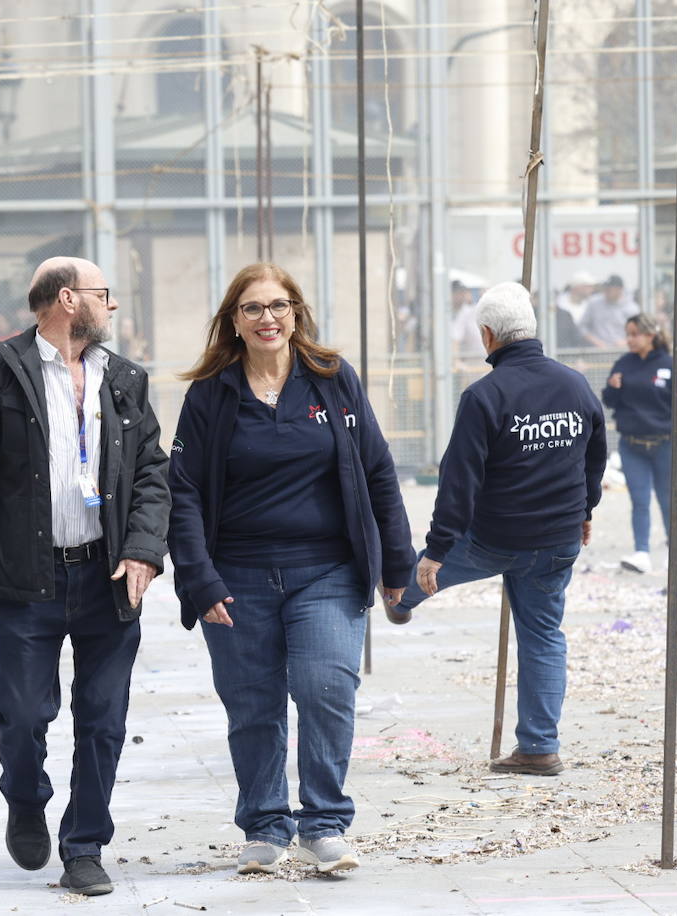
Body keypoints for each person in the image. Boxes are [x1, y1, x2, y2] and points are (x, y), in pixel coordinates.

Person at [0, 257, 170, 898]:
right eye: (102, 294)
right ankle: (26, 798)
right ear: (68, 299)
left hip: (110, 576)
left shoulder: (125, 379)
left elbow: (152, 474)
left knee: (104, 718)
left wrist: (144, 550)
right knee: (23, 714)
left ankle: (85, 845)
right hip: (28, 580)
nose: (111, 306)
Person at [167, 262, 413, 876]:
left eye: (278, 306)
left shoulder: (332, 380)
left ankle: (325, 822)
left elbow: (378, 471)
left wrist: (398, 562)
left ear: (296, 313)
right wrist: (198, 578)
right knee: (252, 704)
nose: (267, 318)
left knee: (325, 688)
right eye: (252, 308)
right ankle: (265, 824)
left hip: (326, 570)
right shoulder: (212, 394)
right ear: (234, 321)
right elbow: (185, 492)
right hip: (237, 576)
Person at [386, 282, 606, 778]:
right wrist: (586, 509)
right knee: (544, 636)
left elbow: (459, 480)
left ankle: (400, 599)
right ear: (530, 327)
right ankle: (539, 746)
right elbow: (595, 453)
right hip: (556, 542)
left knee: (422, 570)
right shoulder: (574, 385)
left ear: (487, 335)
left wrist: (438, 549)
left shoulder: (485, 395)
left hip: (494, 539)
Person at [601, 314, 677, 574]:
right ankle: (641, 552)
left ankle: (674, 550)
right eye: (627, 334)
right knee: (639, 499)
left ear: (650, 335)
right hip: (631, 445)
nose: (629, 339)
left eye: (634, 333)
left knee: (668, 499)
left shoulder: (670, 365)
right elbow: (610, 401)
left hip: (665, 445)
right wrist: (612, 388)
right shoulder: (624, 363)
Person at [578, 275, 637, 348]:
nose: (606, 292)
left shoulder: (632, 308)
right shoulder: (594, 303)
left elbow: (638, 332)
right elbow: (582, 327)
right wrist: (595, 341)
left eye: (609, 289)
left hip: (621, 350)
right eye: (605, 289)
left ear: (619, 289)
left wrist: (625, 341)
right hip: (597, 351)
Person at [450, 280, 486, 360]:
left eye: (463, 292)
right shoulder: (447, 313)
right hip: (468, 361)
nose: (461, 295)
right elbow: (455, 338)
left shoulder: (471, 310)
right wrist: (456, 361)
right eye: (458, 293)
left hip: (482, 361)